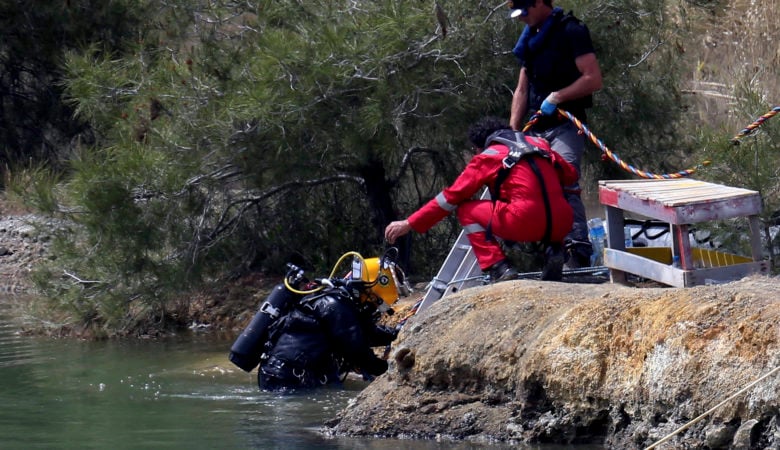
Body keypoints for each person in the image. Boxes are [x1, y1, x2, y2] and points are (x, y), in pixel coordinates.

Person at [384, 116, 578, 282]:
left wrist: (409, 223)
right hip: (563, 222)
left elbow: (449, 198)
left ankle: (499, 267)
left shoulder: (487, 156)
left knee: (466, 210)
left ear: (479, 146)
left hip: (524, 220)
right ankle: (555, 251)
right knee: (550, 203)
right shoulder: (541, 145)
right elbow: (570, 175)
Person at [507, 0, 603, 268]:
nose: (520, 19)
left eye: (524, 12)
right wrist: (513, 131)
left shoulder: (572, 31)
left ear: (538, 3)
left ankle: (578, 249)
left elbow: (593, 78)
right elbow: (522, 89)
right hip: (535, 128)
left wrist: (558, 96)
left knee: (565, 178)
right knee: (531, 186)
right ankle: (550, 250)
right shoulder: (531, 39)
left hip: (566, 124)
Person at [256, 254, 407, 391]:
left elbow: (366, 334)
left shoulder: (340, 302)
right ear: (373, 291)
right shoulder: (335, 305)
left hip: (288, 375)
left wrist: (399, 333)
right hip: (285, 379)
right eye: (378, 303)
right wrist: (394, 370)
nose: (377, 308)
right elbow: (359, 353)